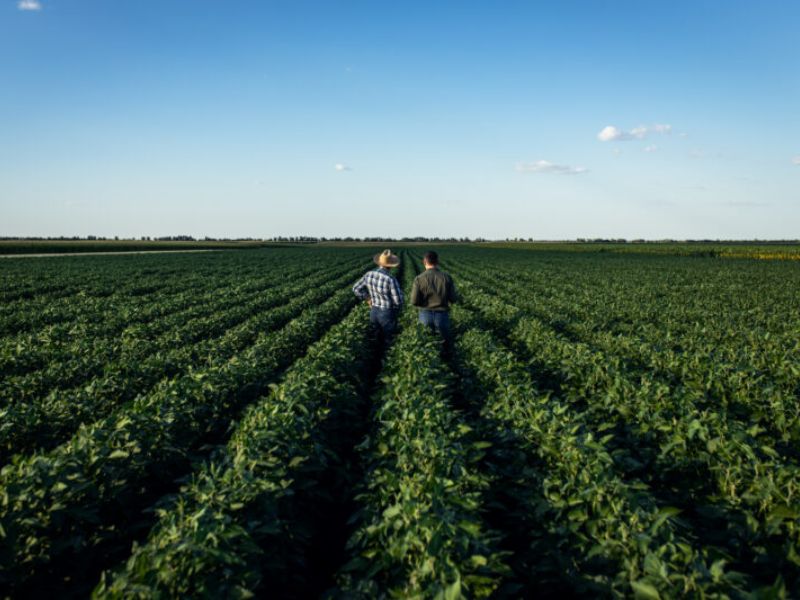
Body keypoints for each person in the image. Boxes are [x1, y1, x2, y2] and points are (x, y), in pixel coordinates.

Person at [352, 249, 404, 352]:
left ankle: (374, 360)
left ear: (380, 263)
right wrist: (396, 312)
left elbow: (356, 288)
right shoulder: (390, 279)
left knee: (375, 337)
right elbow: (398, 301)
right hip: (387, 312)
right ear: (390, 265)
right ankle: (386, 360)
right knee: (388, 340)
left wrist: (368, 298)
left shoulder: (369, 274)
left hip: (374, 311)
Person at [410, 250, 458, 352]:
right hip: (442, 315)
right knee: (445, 343)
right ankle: (446, 364)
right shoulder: (446, 277)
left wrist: (423, 303)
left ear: (424, 262)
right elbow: (453, 299)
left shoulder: (419, 279)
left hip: (425, 314)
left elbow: (414, 301)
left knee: (426, 345)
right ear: (437, 262)